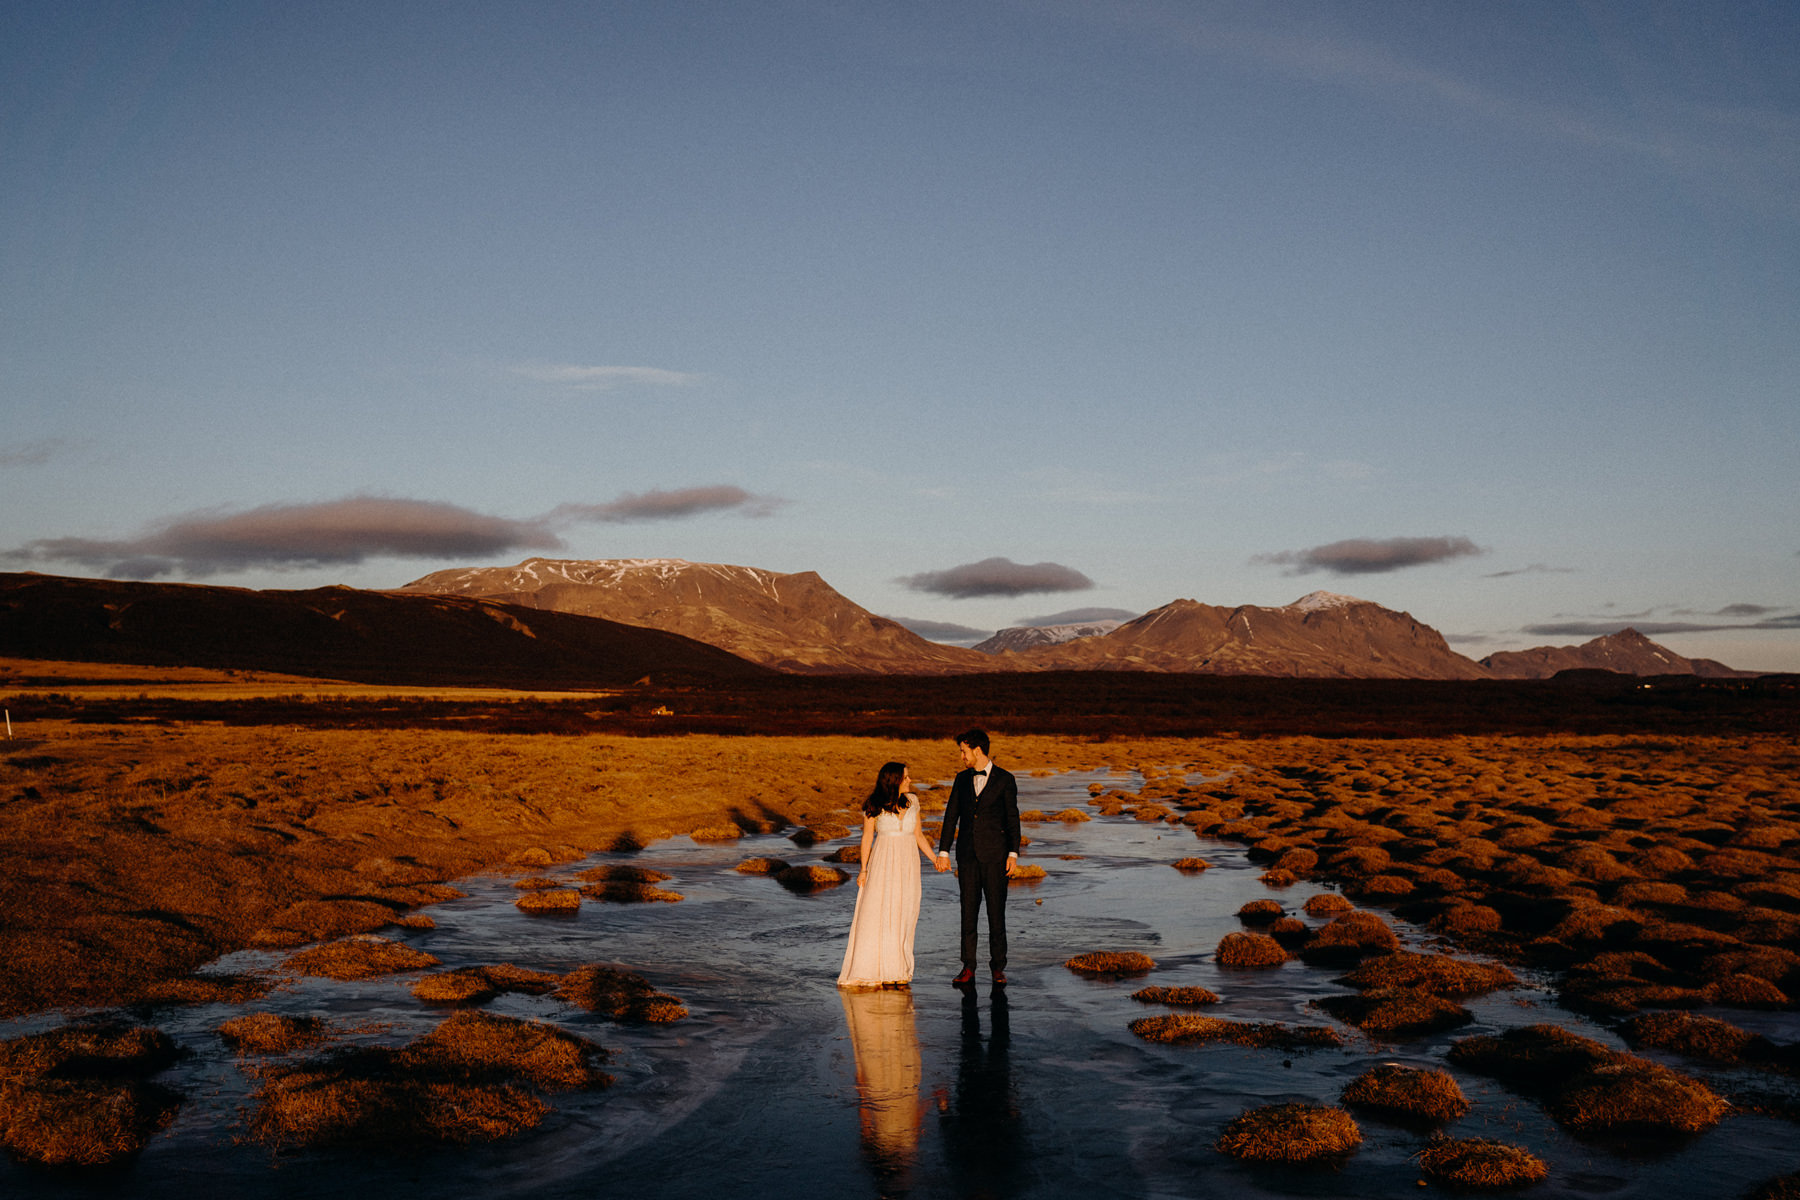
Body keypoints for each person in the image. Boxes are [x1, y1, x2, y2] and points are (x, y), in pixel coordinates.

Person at [837, 762, 940, 989]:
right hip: (883, 864)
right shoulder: (873, 805)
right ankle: (878, 970)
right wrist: (863, 869)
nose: (910, 780)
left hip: (908, 864)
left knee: (905, 914)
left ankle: (898, 970)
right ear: (894, 780)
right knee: (880, 913)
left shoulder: (913, 801)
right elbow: (866, 839)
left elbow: (919, 835)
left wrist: (934, 859)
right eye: (906, 777)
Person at [934, 729, 1021, 986]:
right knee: (968, 913)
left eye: (963, 751)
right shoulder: (961, 780)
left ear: (977, 750)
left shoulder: (1005, 779)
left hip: (996, 858)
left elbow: (1012, 819)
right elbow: (951, 817)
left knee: (996, 913)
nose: (961, 756)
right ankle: (968, 967)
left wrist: (1013, 854)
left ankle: (998, 967)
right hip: (968, 857)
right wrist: (943, 851)